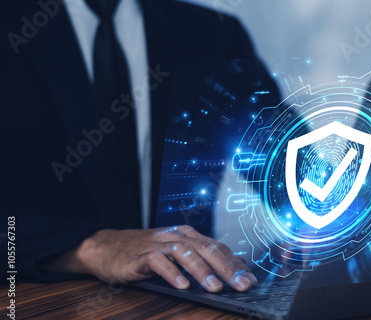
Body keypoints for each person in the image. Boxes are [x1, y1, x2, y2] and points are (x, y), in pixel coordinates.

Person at [0, 0, 273, 293]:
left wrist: (312, 230)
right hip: (35, 304)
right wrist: (91, 247)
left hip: (187, 301)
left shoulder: (214, 33)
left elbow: (284, 158)